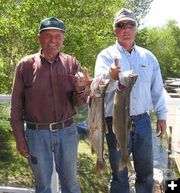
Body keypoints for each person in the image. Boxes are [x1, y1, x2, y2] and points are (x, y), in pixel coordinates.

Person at [10, 17, 91, 193]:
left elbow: (79, 104)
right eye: (48, 35)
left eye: (58, 35)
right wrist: (19, 138)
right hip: (37, 135)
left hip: (67, 132)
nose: (53, 40)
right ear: (39, 38)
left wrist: (80, 89)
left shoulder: (72, 63)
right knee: (43, 186)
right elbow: (16, 106)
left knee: (71, 185)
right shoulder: (25, 66)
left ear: (63, 38)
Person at [94, 8, 167, 193]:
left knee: (146, 173)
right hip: (115, 122)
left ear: (136, 28)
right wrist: (110, 76)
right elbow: (97, 87)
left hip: (142, 120)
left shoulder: (148, 57)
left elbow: (157, 89)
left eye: (130, 25)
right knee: (119, 175)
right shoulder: (106, 55)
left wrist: (161, 115)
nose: (126, 29)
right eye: (121, 25)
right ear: (114, 30)